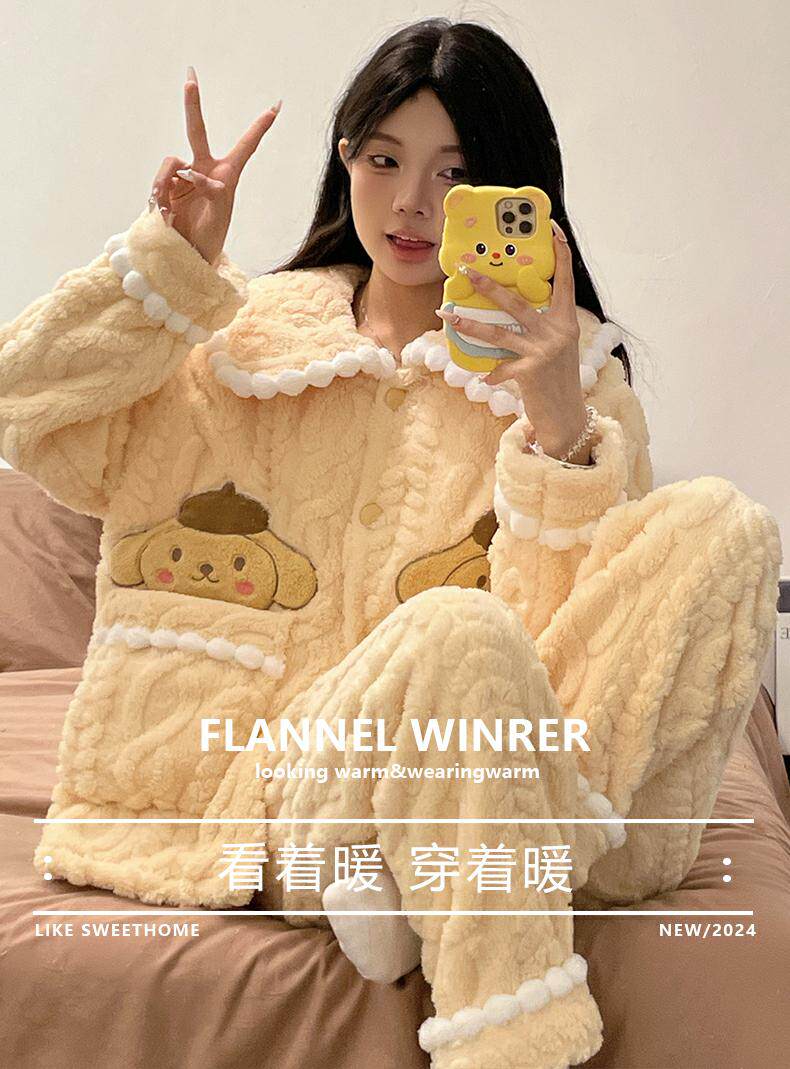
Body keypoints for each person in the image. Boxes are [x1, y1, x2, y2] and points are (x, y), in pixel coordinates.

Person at [0, 18, 781, 1069]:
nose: (413, 203)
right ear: (345, 163)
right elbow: (26, 410)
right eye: (384, 160)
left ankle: (475, 848)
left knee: (727, 526)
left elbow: (565, 650)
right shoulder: (233, 340)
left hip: (503, 756)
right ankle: (508, 1028)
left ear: (512, 196)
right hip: (283, 782)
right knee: (456, 628)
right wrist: (170, 264)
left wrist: (554, 419)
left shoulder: (577, 381)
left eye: (454, 176)